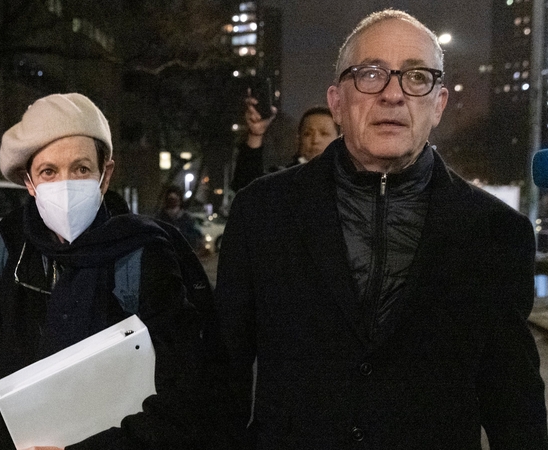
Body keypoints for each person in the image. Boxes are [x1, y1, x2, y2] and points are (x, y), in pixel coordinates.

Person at [214, 9, 548, 448]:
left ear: (439, 104)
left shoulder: (496, 231)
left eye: (416, 78)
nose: (393, 94)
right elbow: (223, 374)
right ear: (337, 102)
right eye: (371, 75)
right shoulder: (263, 211)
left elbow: (513, 400)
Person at [0, 93, 223, 450]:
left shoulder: (143, 254)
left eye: (81, 168)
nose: (65, 184)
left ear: (104, 175)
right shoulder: (8, 252)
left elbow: (184, 390)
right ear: (28, 182)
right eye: (49, 171)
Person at [230, 101, 338, 192]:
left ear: (339, 138)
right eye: (307, 134)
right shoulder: (281, 179)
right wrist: (255, 134)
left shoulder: (349, 181)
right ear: (298, 139)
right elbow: (246, 187)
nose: (315, 140)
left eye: (324, 133)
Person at [156, 184, 204, 253]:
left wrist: (180, 234)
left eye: (175, 200)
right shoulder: (160, 218)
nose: (172, 203)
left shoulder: (188, 218)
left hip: (183, 255)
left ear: (179, 200)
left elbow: (197, 236)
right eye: (170, 200)